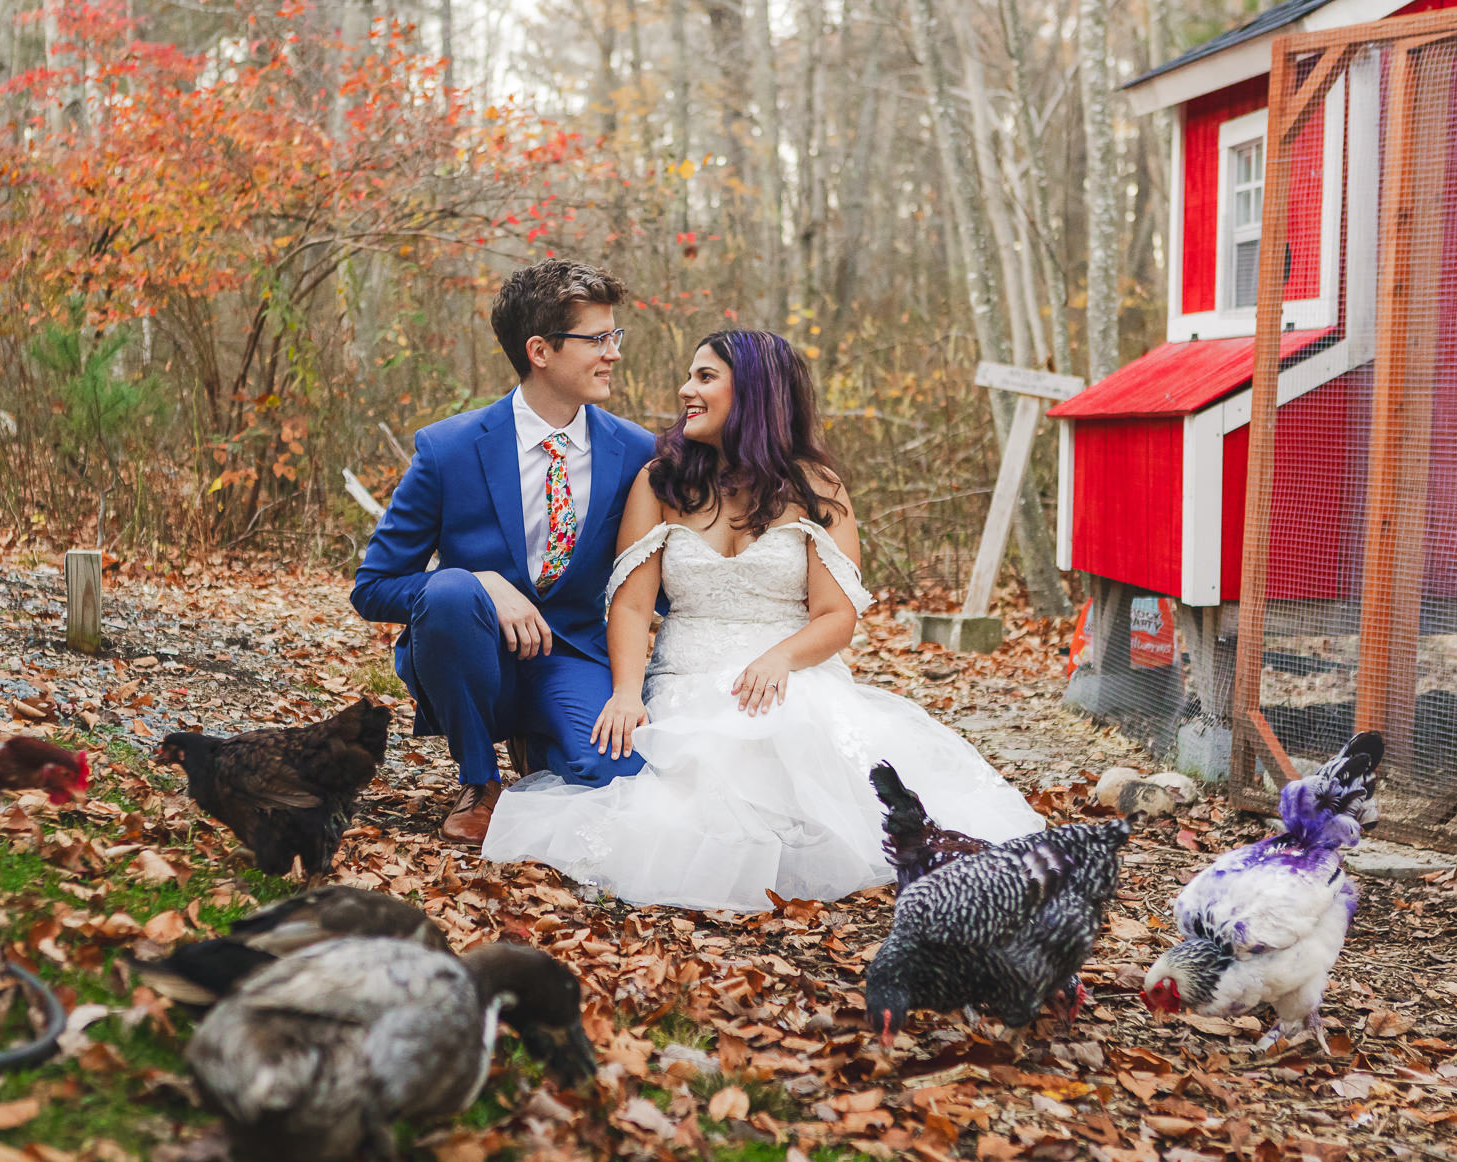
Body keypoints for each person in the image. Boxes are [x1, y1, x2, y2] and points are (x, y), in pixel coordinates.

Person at [481, 329, 1045, 912]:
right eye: (690, 376)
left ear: (753, 391)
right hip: (683, 680)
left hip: (788, 676)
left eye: (705, 377)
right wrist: (626, 692)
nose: (685, 390)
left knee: (801, 746)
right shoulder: (661, 482)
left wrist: (780, 658)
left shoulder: (817, 488)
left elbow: (836, 618)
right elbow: (630, 603)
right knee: (673, 795)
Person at [351, 261, 660, 845]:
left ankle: (540, 737)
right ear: (540, 351)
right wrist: (483, 582)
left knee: (613, 786)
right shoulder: (448, 448)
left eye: (613, 336)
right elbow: (372, 588)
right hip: (471, 653)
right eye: (597, 339)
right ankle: (480, 778)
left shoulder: (637, 450)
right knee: (450, 590)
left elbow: (655, 581)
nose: (613, 352)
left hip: (573, 654)